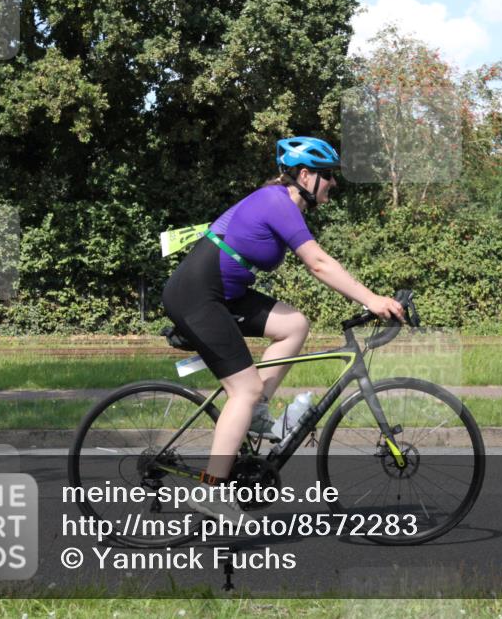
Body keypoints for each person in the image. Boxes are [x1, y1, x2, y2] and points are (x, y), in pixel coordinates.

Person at [161, 136, 404, 522]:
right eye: (328, 176)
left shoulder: (280, 203)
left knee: (294, 324)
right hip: (197, 296)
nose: (333, 184)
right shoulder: (277, 201)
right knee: (244, 388)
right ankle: (211, 490)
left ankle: (256, 413)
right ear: (304, 175)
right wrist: (371, 299)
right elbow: (319, 263)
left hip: (223, 294)